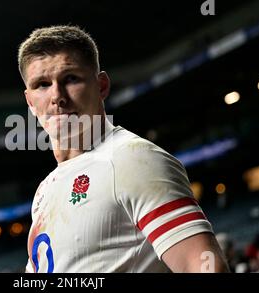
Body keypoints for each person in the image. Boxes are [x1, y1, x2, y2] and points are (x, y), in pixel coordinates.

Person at [17, 25, 229, 273]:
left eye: (71, 79)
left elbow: (205, 267)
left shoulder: (133, 159)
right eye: (42, 84)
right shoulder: (46, 188)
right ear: (30, 102)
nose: (57, 96)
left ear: (102, 86)